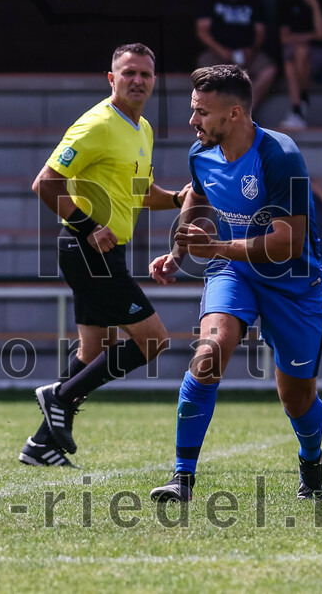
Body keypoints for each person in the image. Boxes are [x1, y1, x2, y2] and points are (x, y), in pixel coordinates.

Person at [149, 65, 322, 503]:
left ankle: (311, 461)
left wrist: (215, 246)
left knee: (296, 397)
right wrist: (178, 252)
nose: (193, 120)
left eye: (202, 112)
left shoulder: (280, 155)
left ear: (234, 113)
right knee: (209, 352)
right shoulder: (201, 152)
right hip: (234, 271)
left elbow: (288, 243)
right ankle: (182, 477)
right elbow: (198, 193)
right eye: (193, 109)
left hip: (292, 282)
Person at [20, 43, 189, 468]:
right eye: (128, 73)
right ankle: (59, 397)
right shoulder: (96, 124)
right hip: (86, 249)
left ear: (154, 82)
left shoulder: (142, 129)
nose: (137, 80)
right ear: (111, 79)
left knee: (93, 350)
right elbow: (45, 183)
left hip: (105, 252)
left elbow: (140, 192)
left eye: (145, 74)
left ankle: (41, 445)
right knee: (154, 340)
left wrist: (177, 198)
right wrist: (88, 226)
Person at [196, 0, 277, 112]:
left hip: (247, 54)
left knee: (269, 70)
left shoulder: (253, 1)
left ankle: (244, 111)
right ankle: (218, 113)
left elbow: (260, 33)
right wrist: (221, 51)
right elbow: (202, 31)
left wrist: (251, 50)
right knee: (204, 71)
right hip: (217, 53)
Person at [279, 0, 322, 129]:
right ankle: (300, 105)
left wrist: (315, 5)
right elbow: (284, 38)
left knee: (298, 56)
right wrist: (311, 35)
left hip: (320, 53)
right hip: (294, 52)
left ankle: (297, 108)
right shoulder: (291, 3)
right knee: (292, 61)